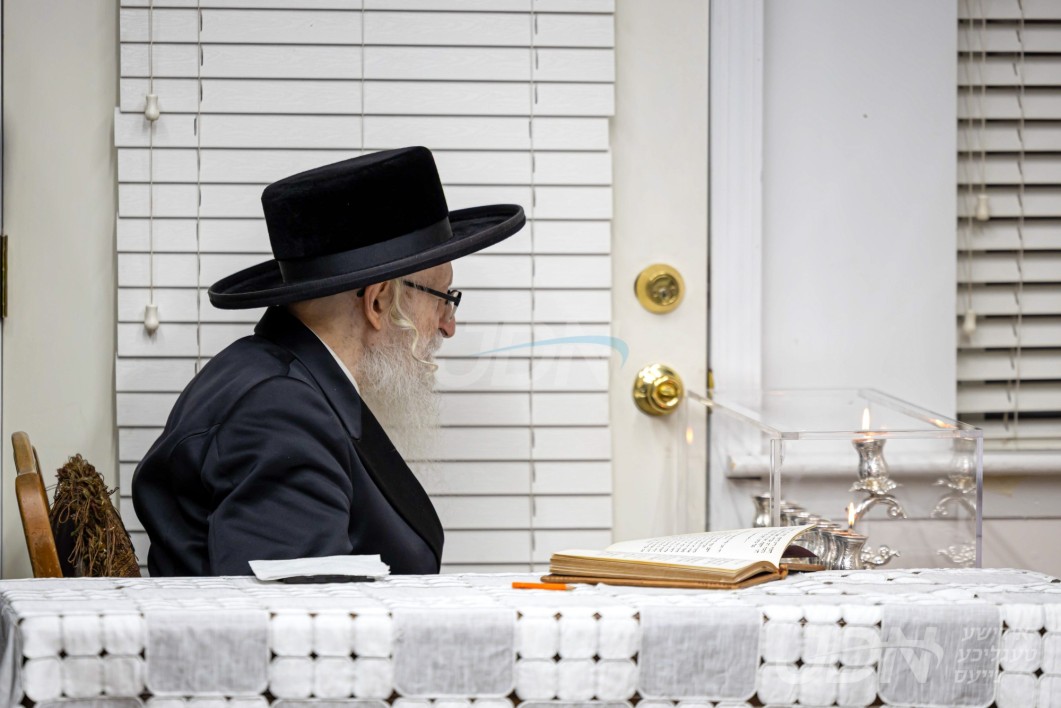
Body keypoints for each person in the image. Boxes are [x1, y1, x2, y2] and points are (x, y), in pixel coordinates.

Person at [132, 146, 525, 576]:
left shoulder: (295, 386)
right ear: (378, 302)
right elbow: (301, 613)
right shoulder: (279, 412)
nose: (448, 325)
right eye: (442, 299)